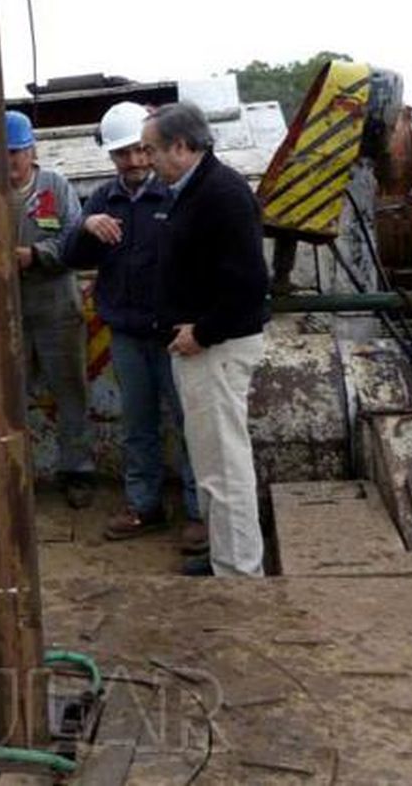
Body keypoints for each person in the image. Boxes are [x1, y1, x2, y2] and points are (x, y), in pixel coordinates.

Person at [64, 102, 202, 546]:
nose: (136, 161)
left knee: (190, 424)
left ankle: (199, 512)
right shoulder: (106, 198)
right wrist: (86, 225)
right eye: (123, 154)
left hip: (176, 335)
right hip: (126, 333)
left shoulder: (179, 192)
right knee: (138, 425)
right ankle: (144, 506)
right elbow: (71, 256)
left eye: (142, 151)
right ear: (111, 157)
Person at [142, 102, 271, 578]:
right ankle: (226, 558)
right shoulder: (193, 189)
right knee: (212, 464)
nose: (147, 157)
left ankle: (238, 573)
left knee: (223, 469)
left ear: (181, 146)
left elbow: (250, 282)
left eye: (152, 149)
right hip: (201, 348)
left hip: (216, 349)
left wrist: (203, 330)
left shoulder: (221, 193)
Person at [5, 110, 95, 508]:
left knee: (70, 391)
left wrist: (34, 255)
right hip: (8, 316)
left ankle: (78, 471)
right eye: (1, 152)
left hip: (58, 308)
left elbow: (76, 244)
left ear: (31, 150)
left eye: (15, 152)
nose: (8, 160)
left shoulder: (55, 186)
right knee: (8, 396)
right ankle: (13, 474)